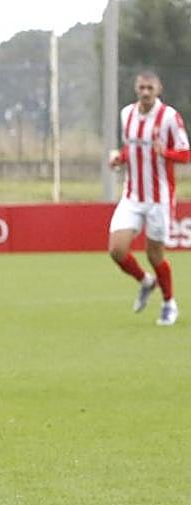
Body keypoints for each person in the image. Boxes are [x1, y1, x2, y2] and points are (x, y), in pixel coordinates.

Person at [107, 71, 190, 327]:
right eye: (141, 87)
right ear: (136, 89)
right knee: (117, 250)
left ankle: (169, 303)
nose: (145, 92)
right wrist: (119, 158)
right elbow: (131, 147)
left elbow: (185, 154)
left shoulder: (169, 117)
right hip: (132, 195)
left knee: (155, 255)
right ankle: (145, 281)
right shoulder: (126, 114)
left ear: (158, 89)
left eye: (149, 88)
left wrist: (164, 152)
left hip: (159, 199)